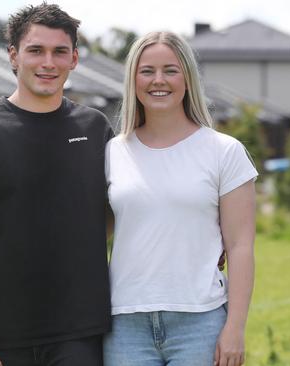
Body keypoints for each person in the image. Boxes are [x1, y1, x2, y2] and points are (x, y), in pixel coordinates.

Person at [0, 3, 113, 366]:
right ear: (14, 56)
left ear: (74, 58)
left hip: (83, 336)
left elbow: (128, 214)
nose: (48, 62)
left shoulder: (96, 130)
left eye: (59, 51)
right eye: (36, 50)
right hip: (4, 340)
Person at [103, 31, 257, 366]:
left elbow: (241, 246)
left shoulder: (224, 152)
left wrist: (235, 328)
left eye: (170, 70)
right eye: (147, 71)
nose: (158, 80)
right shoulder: (112, 152)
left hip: (200, 323)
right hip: (124, 325)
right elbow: (97, 234)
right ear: (133, 80)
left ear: (187, 78)